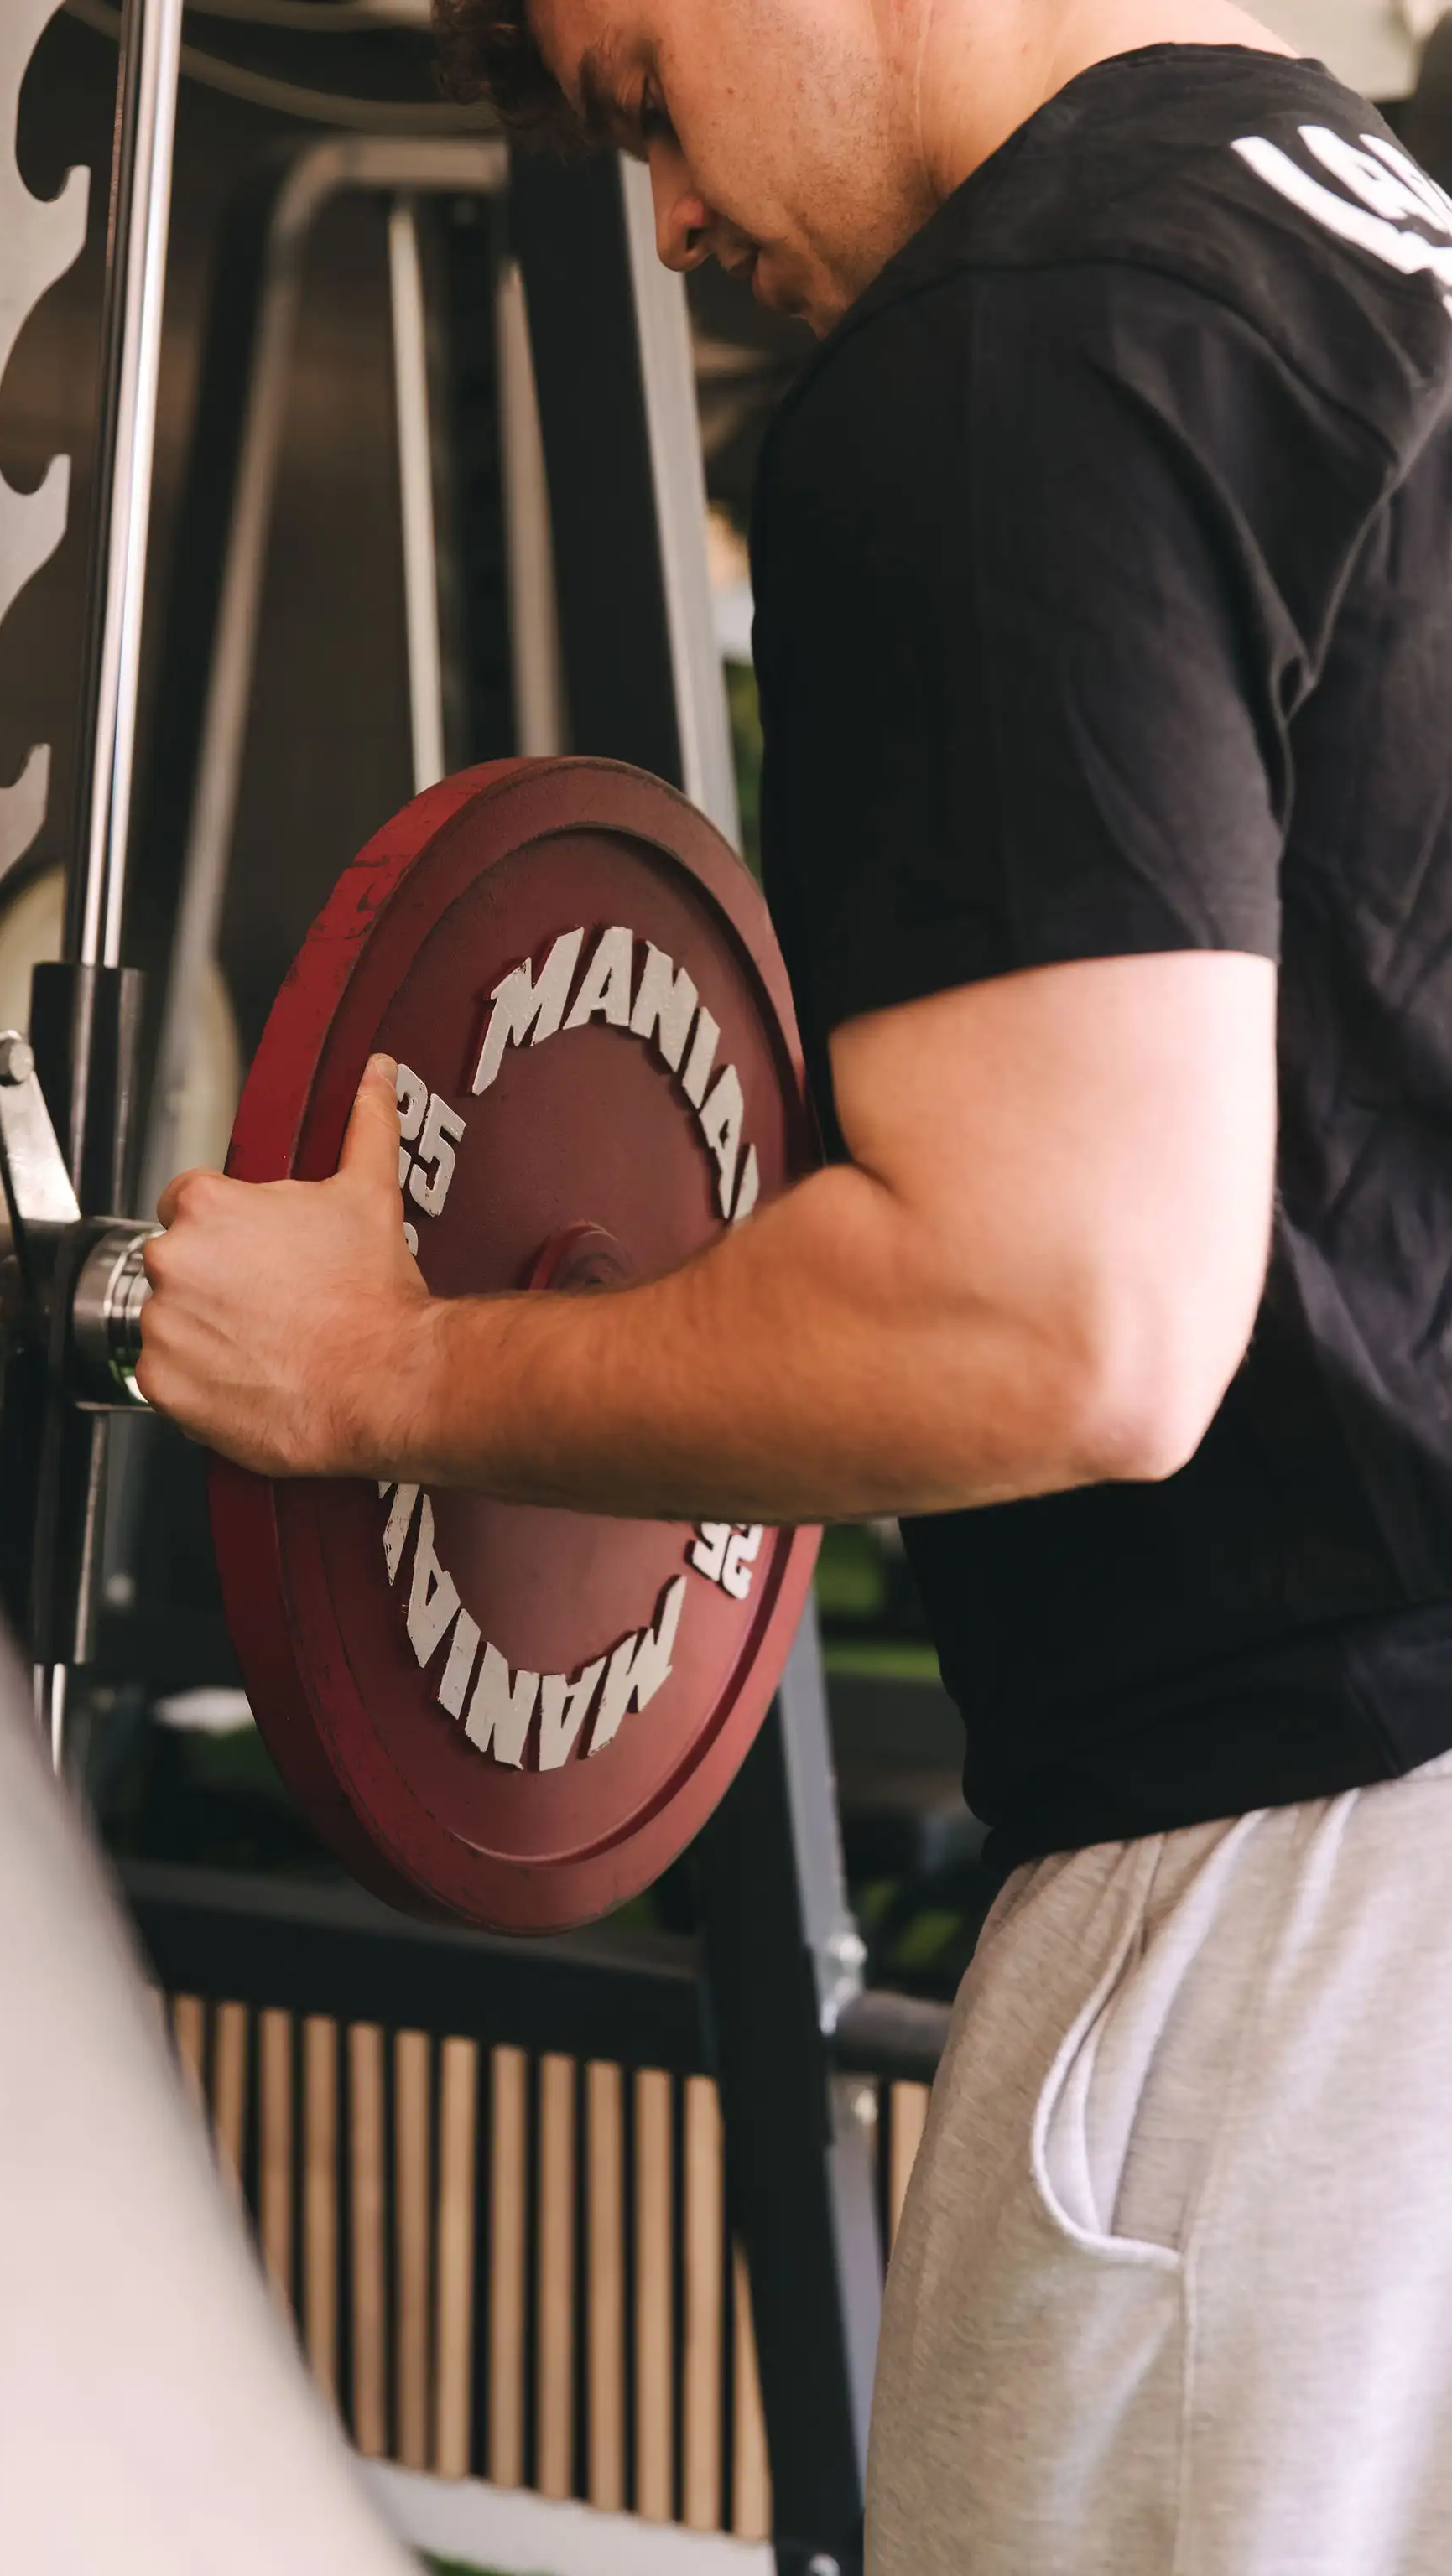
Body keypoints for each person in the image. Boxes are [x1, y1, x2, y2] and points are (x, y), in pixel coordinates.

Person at [137, 0, 1452, 2565]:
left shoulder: (1010, 349)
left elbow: (1055, 1315)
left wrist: (384, 1365)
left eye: (634, 93)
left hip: (1293, 1959)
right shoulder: (1367, 229)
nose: (668, 219)